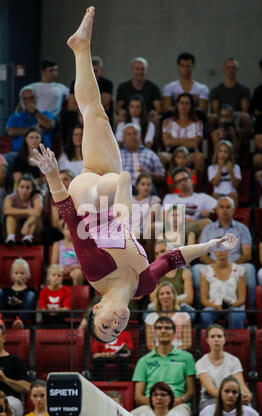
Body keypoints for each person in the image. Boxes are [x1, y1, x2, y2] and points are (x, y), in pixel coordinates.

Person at [31, 7, 230, 343]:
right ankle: (81, 48)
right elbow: (173, 258)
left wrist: (53, 177)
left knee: (120, 196)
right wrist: (212, 243)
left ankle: (121, 195)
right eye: (117, 331)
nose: (116, 324)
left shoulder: (95, 271)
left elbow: (70, 221)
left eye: (106, 325)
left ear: (95, 309)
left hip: (88, 199)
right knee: (95, 113)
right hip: (106, 184)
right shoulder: (144, 286)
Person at [192, 196, 256, 309]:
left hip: (237, 264)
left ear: (233, 209)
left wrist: (230, 266)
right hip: (212, 264)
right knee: (196, 269)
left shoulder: (243, 229)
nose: (225, 210)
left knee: (249, 269)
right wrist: (216, 266)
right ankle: (200, 309)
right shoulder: (208, 229)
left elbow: (247, 254)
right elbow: (202, 255)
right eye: (222, 207)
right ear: (216, 209)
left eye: (228, 207)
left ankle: (250, 311)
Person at [132, 316, 195, 416]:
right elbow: (138, 396)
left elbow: (190, 393)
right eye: (159, 328)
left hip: (177, 405)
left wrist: (171, 402)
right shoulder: (144, 360)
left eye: (167, 328)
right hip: (149, 405)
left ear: (174, 333)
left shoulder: (186, 357)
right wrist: (157, 403)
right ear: (154, 333)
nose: (163, 331)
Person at [196, 324, 252, 411]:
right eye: (212, 337)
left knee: (248, 410)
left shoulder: (234, 360)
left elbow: (241, 385)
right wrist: (231, 398)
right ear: (207, 340)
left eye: (219, 336)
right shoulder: (201, 363)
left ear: (224, 340)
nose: (216, 339)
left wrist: (248, 394)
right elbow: (211, 389)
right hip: (210, 399)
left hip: (232, 396)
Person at [162, 167, 217, 239]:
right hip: (173, 227)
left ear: (191, 179)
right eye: (178, 181)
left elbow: (219, 207)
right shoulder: (169, 197)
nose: (182, 182)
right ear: (176, 186)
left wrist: (210, 211)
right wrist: (192, 221)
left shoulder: (203, 197)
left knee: (207, 222)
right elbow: (163, 216)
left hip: (191, 227)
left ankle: (199, 249)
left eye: (184, 179)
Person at [200, 248, 246, 329]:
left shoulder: (239, 270)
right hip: (213, 306)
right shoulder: (205, 271)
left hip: (233, 306)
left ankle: (235, 341)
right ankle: (209, 340)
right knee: (206, 314)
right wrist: (217, 307)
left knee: (236, 315)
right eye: (218, 249)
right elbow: (204, 300)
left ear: (229, 249)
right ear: (214, 251)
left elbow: (242, 299)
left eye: (223, 248)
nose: (221, 251)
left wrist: (229, 306)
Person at [209, 58, 251, 145]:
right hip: (221, 118)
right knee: (211, 118)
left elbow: (244, 111)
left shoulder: (244, 90)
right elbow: (215, 111)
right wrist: (225, 116)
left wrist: (230, 115)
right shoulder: (216, 90)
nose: (231, 70)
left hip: (237, 119)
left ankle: (245, 153)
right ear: (224, 69)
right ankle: (212, 153)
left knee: (246, 117)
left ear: (237, 70)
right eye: (228, 68)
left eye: (233, 68)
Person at [149, 240, 195, 316]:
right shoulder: (154, 274)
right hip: (161, 308)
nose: (160, 255)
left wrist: (169, 302)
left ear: (171, 252)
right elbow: (153, 298)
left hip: (180, 308)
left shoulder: (185, 272)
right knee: (148, 313)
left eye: (162, 251)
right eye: (156, 253)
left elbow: (189, 299)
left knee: (190, 313)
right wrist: (170, 301)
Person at [162, 93, 205, 172]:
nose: (184, 106)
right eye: (181, 103)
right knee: (161, 156)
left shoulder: (198, 124)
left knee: (199, 157)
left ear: (191, 106)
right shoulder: (167, 122)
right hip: (172, 152)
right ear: (177, 105)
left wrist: (175, 141)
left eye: (187, 104)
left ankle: (196, 183)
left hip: (190, 153)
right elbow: (167, 142)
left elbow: (194, 144)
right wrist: (188, 140)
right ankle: (167, 183)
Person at [69, 56, 114, 128]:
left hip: (97, 115)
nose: (92, 74)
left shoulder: (107, 84)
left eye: (95, 71)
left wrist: (84, 106)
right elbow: (71, 106)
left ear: (101, 71)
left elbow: (104, 104)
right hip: (80, 115)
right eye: (90, 71)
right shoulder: (76, 82)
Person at [145, 282, 192, 351]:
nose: (165, 296)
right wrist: (163, 353)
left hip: (178, 353)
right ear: (158, 297)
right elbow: (150, 345)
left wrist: (172, 352)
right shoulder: (150, 318)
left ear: (174, 296)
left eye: (168, 293)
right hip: (159, 355)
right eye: (162, 294)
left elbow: (187, 344)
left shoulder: (185, 316)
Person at [6, 86, 55, 152]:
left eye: (31, 98)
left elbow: (49, 125)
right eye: (25, 99)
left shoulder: (46, 114)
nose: (29, 101)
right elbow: (11, 131)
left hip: (42, 153)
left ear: (36, 99)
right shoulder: (15, 117)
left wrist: (35, 112)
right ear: (21, 101)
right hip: (19, 153)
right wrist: (36, 129)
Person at [120, 122, 165, 189]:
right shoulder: (118, 155)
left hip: (145, 190)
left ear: (140, 136)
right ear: (123, 137)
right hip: (122, 189)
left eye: (135, 134)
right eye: (128, 134)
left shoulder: (150, 154)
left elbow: (162, 176)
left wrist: (149, 173)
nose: (132, 136)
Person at [116, 57, 162, 122]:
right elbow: (118, 108)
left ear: (146, 70)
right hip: (128, 118)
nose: (140, 72)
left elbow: (158, 108)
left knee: (156, 118)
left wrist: (154, 113)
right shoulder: (123, 87)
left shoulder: (153, 87)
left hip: (147, 119)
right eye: (137, 69)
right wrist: (121, 112)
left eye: (142, 69)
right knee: (118, 119)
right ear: (132, 69)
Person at [3, 173, 43, 246]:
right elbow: (6, 210)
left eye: (28, 188)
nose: (24, 190)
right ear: (17, 187)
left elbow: (37, 212)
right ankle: (10, 238)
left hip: (33, 228)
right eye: (22, 187)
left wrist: (27, 224)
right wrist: (27, 211)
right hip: (17, 227)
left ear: (32, 189)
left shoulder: (37, 196)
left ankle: (28, 238)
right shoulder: (11, 197)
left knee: (34, 216)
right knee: (10, 216)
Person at [0, 324, 30, 416]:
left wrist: (5, 379)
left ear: (3, 338)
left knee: (7, 405)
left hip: (10, 399)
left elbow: (27, 388)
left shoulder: (15, 360)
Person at [0, 258, 37, 327]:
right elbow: (3, 303)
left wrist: (20, 302)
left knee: (31, 295)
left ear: (27, 274)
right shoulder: (6, 290)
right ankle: (0, 320)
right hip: (7, 313)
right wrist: (9, 302)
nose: (19, 276)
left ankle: (20, 321)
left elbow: (30, 305)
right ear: (12, 274)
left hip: (23, 315)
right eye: (16, 273)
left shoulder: (31, 290)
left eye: (22, 273)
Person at [208, 140, 241, 207]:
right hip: (218, 193)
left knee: (234, 195)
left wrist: (231, 171)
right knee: (214, 196)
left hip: (231, 193)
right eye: (220, 151)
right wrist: (220, 168)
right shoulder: (211, 167)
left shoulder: (236, 167)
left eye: (226, 152)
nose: (223, 154)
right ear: (217, 153)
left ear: (230, 154)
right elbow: (215, 183)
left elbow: (235, 185)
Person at [131, 172, 161, 240]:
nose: (146, 187)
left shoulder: (155, 199)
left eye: (149, 184)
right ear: (136, 186)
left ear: (152, 187)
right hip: (128, 227)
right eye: (143, 184)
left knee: (135, 232)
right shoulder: (130, 199)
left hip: (142, 229)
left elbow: (151, 218)